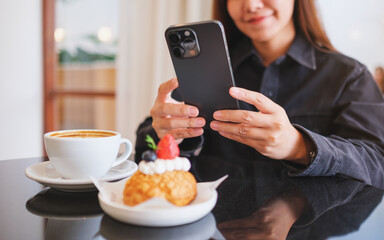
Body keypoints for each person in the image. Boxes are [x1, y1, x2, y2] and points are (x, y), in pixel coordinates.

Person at [135, 0, 384, 189]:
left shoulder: (349, 75)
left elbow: (377, 162)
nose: (251, 5)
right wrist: (163, 132)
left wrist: (298, 146)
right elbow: (144, 147)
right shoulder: (209, 68)